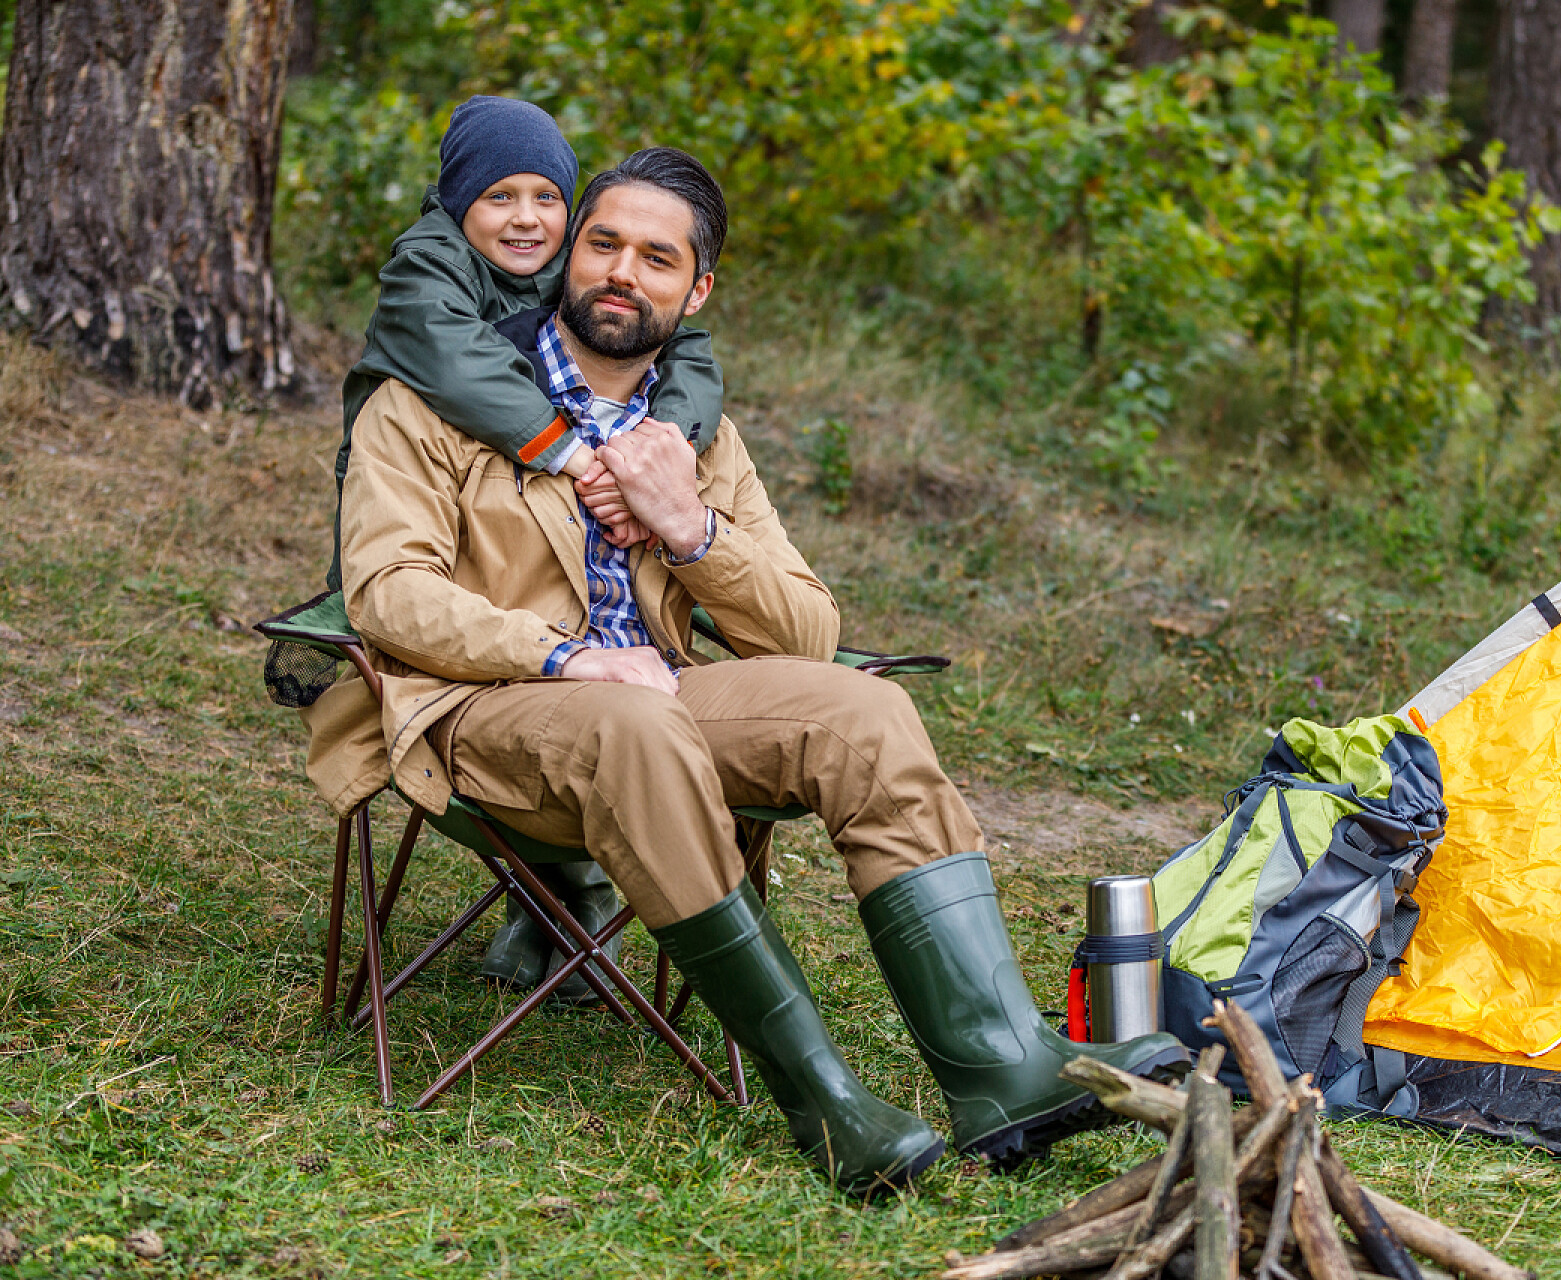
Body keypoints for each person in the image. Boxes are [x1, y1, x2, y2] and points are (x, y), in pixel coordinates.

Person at [301, 145, 1188, 1197]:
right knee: (636, 729)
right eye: (605, 243)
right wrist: (565, 654)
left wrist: (692, 527)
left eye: (658, 258)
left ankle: (1001, 1063)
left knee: (865, 711)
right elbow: (389, 593)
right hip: (478, 709)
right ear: (568, 257)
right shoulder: (432, 399)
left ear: (696, 288)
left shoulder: (698, 433)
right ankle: (825, 1100)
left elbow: (807, 632)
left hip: (660, 698)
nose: (624, 271)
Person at [329, 95, 728, 1001]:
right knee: (553, 688)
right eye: (498, 195)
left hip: (559, 575)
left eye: (547, 196)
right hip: (427, 527)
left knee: (597, 686)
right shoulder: (428, 267)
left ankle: (553, 904)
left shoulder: (576, 274)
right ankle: (567, 897)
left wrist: (658, 455)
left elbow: (690, 358)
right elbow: (448, 353)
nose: (525, 218)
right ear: (456, 201)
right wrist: (575, 453)